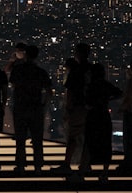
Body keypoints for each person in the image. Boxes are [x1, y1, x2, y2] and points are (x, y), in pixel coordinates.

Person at [9, 45, 52, 175]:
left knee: (20, 139)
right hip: (36, 107)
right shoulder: (41, 72)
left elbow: (13, 84)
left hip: (21, 106)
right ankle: (38, 166)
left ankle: (21, 165)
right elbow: (49, 91)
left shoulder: (18, 69)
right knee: (37, 139)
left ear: (26, 55)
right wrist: (44, 105)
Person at [52, 43, 93, 176]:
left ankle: (67, 164)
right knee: (87, 137)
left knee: (73, 137)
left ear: (77, 54)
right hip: (90, 108)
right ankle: (86, 164)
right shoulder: (92, 69)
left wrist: (68, 109)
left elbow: (70, 91)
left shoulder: (75, 71)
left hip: (77, 107)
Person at [77, 63, 123, 183]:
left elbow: (86, 103)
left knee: (89, 143)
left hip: (93, 116)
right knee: (106, 144)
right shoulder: (105, 84)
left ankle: (82, 172)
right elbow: (119, 93)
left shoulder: (90, 86)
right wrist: (107, 99)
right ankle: (104, 173)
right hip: (104, 116)